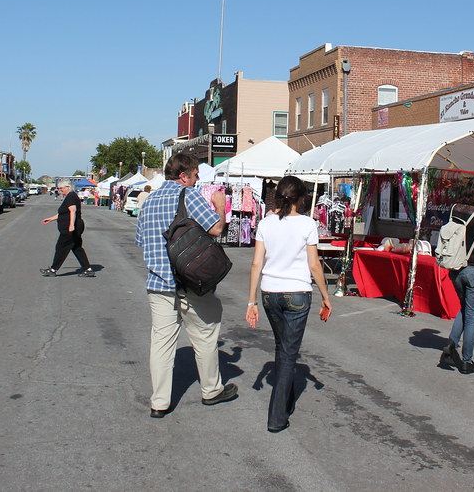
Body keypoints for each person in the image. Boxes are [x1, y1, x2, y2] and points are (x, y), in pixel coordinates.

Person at [134, 153, 235, 419]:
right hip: (190, 282)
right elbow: (216, 229)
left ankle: (159, 402)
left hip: (158, 282)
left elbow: (141, 241)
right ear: (183, 176)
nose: (197, 179)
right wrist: (220, 206)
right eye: (195, 174)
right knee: (205, 334)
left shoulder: (149, 200)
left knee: (162, 344)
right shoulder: (188, 195)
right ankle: (211, 390)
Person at [246, 175, 332, 433]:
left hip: (270, 292)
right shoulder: (307, 224)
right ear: (301, 198)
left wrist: (251, 301)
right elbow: (314, 265)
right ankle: (277, 416)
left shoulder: (266, 223)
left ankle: (286, 398)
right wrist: (326, 296)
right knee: (288, 351)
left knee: (282, 345)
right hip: (297, 292)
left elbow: (256, 263)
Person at [440, 175, 474, 375]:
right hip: (472, 270)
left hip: (455, 268)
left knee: (464, 309)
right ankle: (466, 361)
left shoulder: (455, 209)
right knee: (471, 317)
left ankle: (451, 345)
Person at [40, 179, 94, 277]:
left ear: (68, 187)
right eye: (59, 188)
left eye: (62, 188)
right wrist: (50, 219)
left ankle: (53, 269)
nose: (60, 190)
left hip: (71, 228)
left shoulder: (71, 196)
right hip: (75, 226)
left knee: (61, 247)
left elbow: (73, 210)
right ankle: (88, 269)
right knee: (76, 248)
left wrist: (71, 225)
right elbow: (64, 213)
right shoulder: (70, 196)